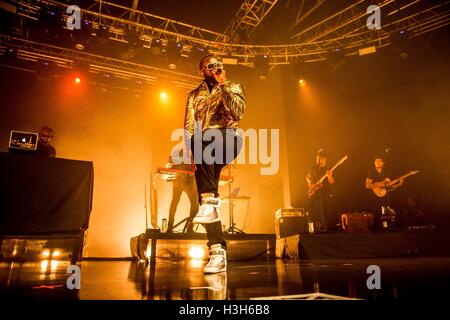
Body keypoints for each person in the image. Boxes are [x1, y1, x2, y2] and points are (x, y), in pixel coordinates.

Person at [183, 54, 246, 273]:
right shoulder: (193, 96)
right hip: (203, 145)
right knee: (206, 195)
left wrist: (224, 85)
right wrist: (191, 154)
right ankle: (217, 252)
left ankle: (209, 205)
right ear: (202, 70)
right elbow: (190, 126)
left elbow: (239, 112)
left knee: (205, 137)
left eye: (219, 65)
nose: (216, 67)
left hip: (228, 138)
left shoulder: (232, 86)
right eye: (211, 66)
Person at [365, 155, 403, 231]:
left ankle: (395, 227)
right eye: (376, 161)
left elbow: (388, 185)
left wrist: (399, 184)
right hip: (374, 195)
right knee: (377, 212)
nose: (377, 163)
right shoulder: (372, 172)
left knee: (396, 207)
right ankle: (375, 230)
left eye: (379, 161)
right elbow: (367, 185)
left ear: (383, 163)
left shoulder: (386, 171)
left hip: (384, 193)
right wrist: (379, 184)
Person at [166, 150, 199, 234]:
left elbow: (196, 167)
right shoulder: (178, 152)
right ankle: (170, 227)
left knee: (195, 202)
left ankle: (190, 227)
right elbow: (169, 165)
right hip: (179, 179)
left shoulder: (194, 153)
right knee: (175, 201)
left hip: (189, 180)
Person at [306, 150, 335, 232]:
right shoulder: (314, 168)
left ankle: (327, 228)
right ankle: (316, 228)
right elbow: (308, 177)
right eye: (317, 159)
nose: (318, 160)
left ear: (324, 159)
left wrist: (329, 177)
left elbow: (332, 182)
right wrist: (311, 184)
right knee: (314, 211)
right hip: (315, 193)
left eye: (320, 159)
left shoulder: (328, 169)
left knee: (326, 211)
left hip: (325, 194)